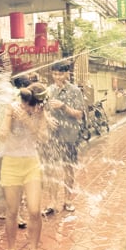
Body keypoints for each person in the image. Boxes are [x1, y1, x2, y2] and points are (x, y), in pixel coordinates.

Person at [0, 84, 52, 250]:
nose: (24, 106)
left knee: (35, 210)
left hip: (31, 163)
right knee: (12, 211)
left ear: (36, 104)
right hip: (11, 163)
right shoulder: (11, 109)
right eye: (23, 102)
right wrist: (7, 123)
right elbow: (2, 136)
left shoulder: (40, 114)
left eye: (28, 104)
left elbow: (44, 138)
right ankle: (11, 248)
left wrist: (29, 121)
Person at [42, 62, 85, 215]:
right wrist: (47, 119)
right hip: (52, 135)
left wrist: (63, 107)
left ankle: (68, 200)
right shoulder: (48, 90)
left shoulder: (75, 91)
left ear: (67, 74)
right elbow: (42, 110)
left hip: (69, 135)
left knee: (68, 168)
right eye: (54, 74)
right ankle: (52, 202)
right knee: (51, 168)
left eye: (60, 74)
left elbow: (79, 114)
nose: (57, 77)